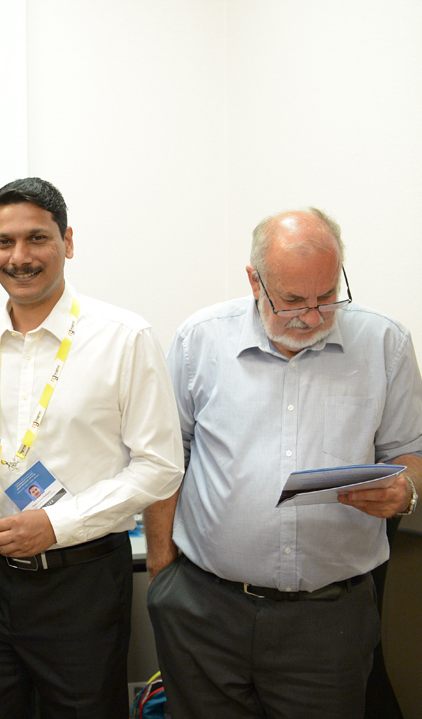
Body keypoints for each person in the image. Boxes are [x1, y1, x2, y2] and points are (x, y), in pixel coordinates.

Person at [145, 208, 422, 719]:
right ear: (255, 281)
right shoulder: (199, 340)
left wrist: (407, 489)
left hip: (328, 621)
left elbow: (409, 451)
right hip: (204, 611)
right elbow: (167, 456)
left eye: (327, 297)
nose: (312, 317)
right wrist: (162, 571)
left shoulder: (386, 344)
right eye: (293, 300)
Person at [0, 177, 184, 719]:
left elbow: (160, 466)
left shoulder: (125, 337)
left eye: (36, 238)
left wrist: (56, 524)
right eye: (4, 242)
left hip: (81, 582)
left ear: (67, 241)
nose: (19, 257)